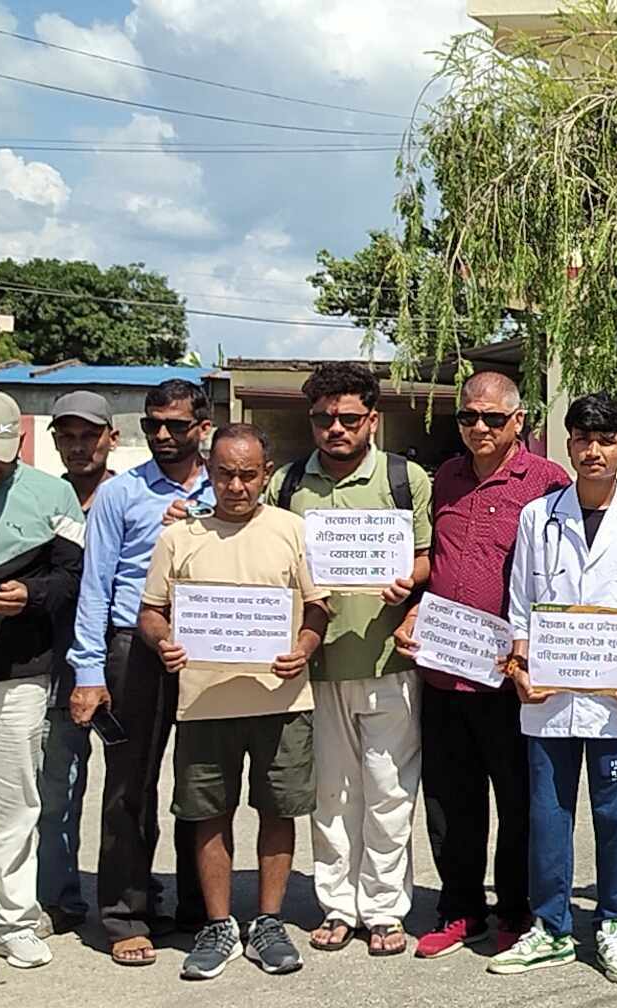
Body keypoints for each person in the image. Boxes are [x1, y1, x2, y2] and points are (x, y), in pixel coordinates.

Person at [136, 423, 330, 981]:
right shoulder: (179, 537)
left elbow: (317, 607)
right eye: (225, 474)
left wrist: (304, 648)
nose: (236, 486)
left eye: (248, 475)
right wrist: (163, 641)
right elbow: (151, 611)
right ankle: (218, 924)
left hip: (281, 700)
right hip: (204, 704)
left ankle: (268, 921)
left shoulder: (292, 530)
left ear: (265, 474)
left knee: (278, 810)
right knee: (208, 814)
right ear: (209, 472)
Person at [492, 392, 617, 982]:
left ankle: (615, 924)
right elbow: (520, 605)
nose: (593, 451)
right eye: (582, 439)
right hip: (547, 701)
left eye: (606, 441)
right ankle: (550, 928)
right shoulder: (537, 517)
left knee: (616, 815)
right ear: (568, 444)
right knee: (548, 814)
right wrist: (520, 670)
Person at [394, 371, 570, 959]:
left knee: (519, 801)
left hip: (507, 676)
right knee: (450, 801)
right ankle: (460, 908)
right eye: (469, 416)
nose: (479, 427)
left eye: (493, 418)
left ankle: (516, 910)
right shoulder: (444, 477)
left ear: (518, 421)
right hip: (444, 670)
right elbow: (432, 561)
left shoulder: (548, 482)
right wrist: (414, 613)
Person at [267, 362, 432, 958]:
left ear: (372, 419)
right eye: (323, 418)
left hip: (389, 660)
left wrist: (408, 580)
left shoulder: (405, 478)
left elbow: (426, 556)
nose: (335, 428)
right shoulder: (286, 483)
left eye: (348, 418)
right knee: (332, 793)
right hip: (316, 667)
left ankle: (384, 909)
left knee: (389, 792)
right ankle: (337, 905)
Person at [68, 378, 214, 965]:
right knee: (130, 784)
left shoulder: (229, 485)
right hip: (134, 648)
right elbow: (95, 586)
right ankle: (126, 913)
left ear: (202, 427)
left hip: (210, 646)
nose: (162, 434)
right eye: (152, 424)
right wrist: (88, 670)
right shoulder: (120, 494)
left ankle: (202, 910)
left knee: (203, 783)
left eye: (175, 425)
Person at [0, 389, 84, 968]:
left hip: (21, 676)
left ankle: (12, 923)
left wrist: (31, 594)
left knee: (14, 805)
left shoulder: (54, 496)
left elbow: (73, 577)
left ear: (20, 442)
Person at [36, 390, 118, 933]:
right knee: (56, 790)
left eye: (89, 435)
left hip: (131, 661)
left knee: (132, 791)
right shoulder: (40, 499)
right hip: (59, 665)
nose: (78, 446)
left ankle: (132, 892)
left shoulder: (135, 496)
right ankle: (58, 896)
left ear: (112, 437)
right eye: (67, 436)